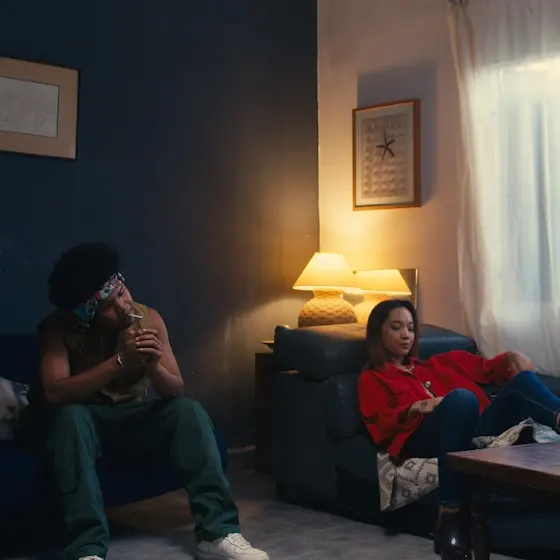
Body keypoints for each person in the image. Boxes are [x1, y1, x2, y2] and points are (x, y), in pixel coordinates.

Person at [29, 242, 269, 560]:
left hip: (132, 421)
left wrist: (152, 365)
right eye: (110, 305)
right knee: (70, 417)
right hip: (85, 423)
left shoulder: (149, 317)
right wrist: (119, 362)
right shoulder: (58, 328)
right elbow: (55, 393)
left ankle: (218, 533)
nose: (123, 305)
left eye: (122, 292)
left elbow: (175, 389)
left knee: (187, 411)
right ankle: (86, 549)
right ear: (89, 314)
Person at [358, 299, 560, 560]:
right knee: (461, 399)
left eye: (410, 328)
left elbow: (488, 369)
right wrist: (415, 407)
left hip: (474, 428)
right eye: (396, 328)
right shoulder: (373, 379)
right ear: (378, 333)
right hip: (424, 436)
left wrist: (511, 358)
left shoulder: (438, 363)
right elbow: (380, 425)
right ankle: (450, 517)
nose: (406, 335)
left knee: (523, 380)